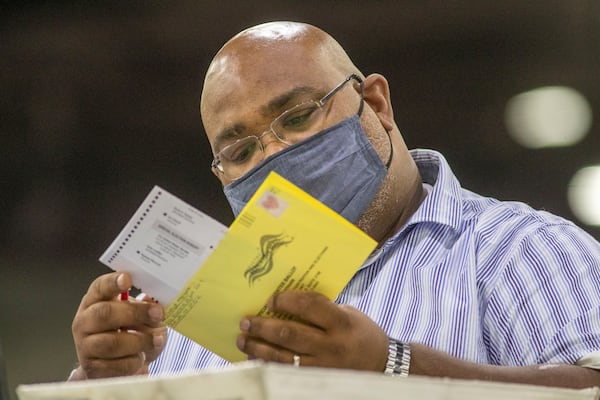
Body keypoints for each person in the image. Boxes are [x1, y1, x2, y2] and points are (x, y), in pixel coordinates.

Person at [70, 21, 600, 388]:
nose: (274, 157)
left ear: (375, 104)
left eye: (298, 117)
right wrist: (103, 384)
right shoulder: (189, 323)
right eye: (241, 150)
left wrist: (394, 367)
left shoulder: (519, 251)